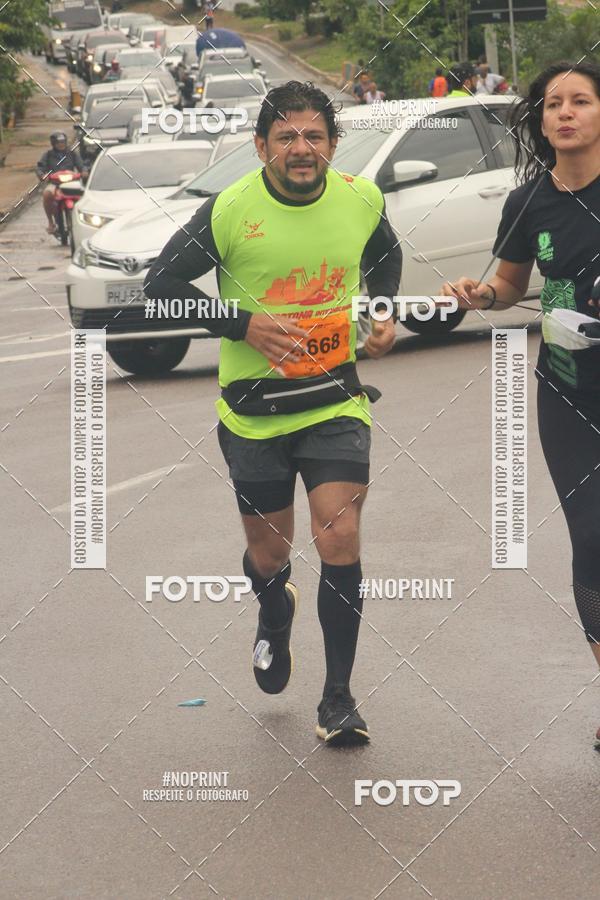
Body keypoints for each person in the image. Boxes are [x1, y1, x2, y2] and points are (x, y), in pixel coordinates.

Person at [144, 81, 401, 746]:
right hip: (254, 413)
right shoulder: (230, 211)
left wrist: (380, 310)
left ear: (333, 146)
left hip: (335, 401)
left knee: (338, 535)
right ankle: (272, 608)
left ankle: (339, 699)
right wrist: (242, 324)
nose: (301, 148)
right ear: (261, 147)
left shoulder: (360, 198)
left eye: (314, 135)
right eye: (286, 137)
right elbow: (160, 290)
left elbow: (387, 257)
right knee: (269, 551)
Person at [440, 61, 600, 743]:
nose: (564, 113)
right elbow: (509, 284)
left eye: (581, 101)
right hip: (568, 386)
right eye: (553, 104)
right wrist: (483, 296)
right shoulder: (529, 201)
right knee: (592, 539)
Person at [36, 132, 87, 234]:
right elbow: (40, 167)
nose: (61, 144)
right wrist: (42, 175)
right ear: (53, 143)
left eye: (63, 142)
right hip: (55, 183)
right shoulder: (48, 154)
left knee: (84, 196)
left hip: (72, 184)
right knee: (47, 194)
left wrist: (84, 171)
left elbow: (81, 165)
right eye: (58, 142)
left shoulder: (72, 153)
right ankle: (51, 222)